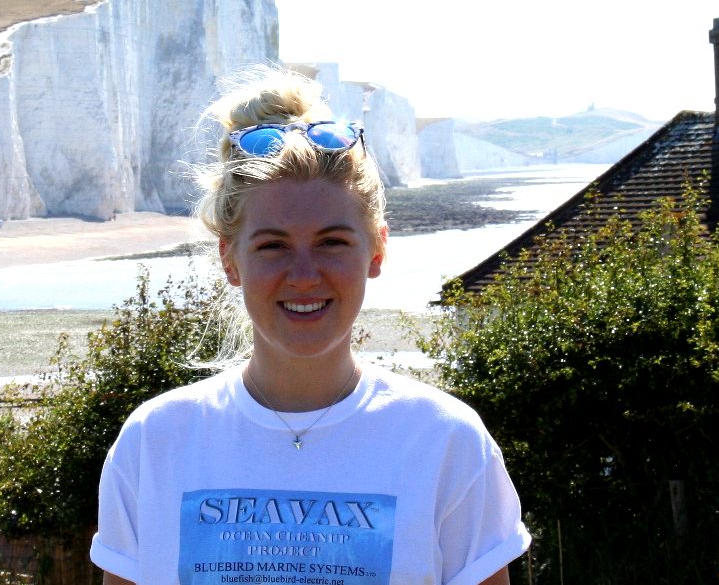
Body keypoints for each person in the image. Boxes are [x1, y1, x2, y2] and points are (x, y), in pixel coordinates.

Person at [90, 68, 530, 585]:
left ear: (377, 249)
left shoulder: (445, 441)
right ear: (230, 260)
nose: (303, 275)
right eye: (273, 245)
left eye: (332, 242)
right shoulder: (154, 441)